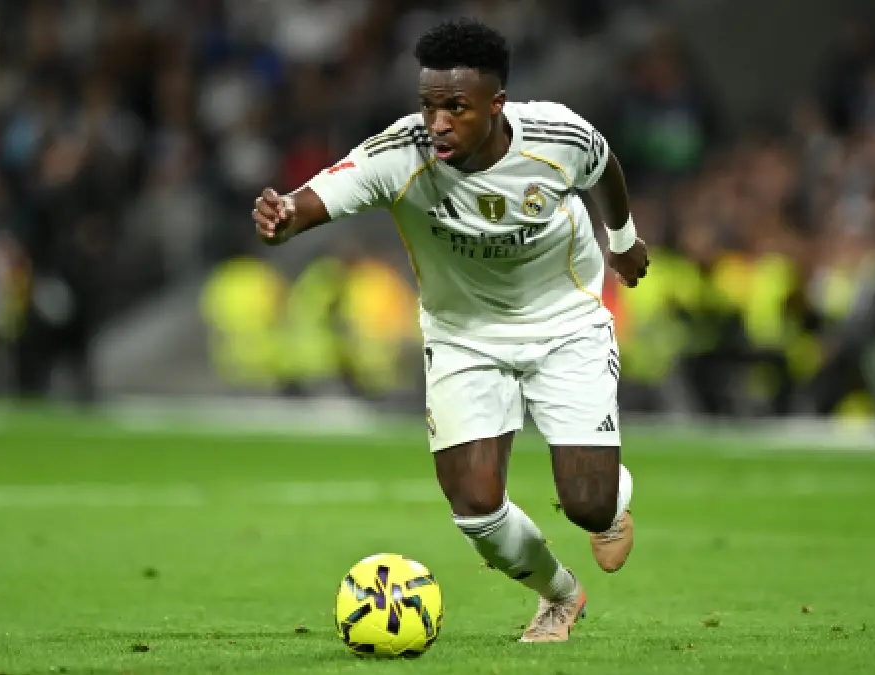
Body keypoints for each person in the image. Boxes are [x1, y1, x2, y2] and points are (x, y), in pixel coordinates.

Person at [252, 19, 649, 643]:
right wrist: (285, 216)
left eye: (455, 108)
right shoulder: (400, 153)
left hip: (565, 324)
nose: (436, 122)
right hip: (463, 336)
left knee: (588, 504)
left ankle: (609, 503)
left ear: (496, 105)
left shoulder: (558, 135)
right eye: (428, 105)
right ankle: (559, 595)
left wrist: (622, 242)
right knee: (474, 506)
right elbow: (320, 195)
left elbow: (605, 169)